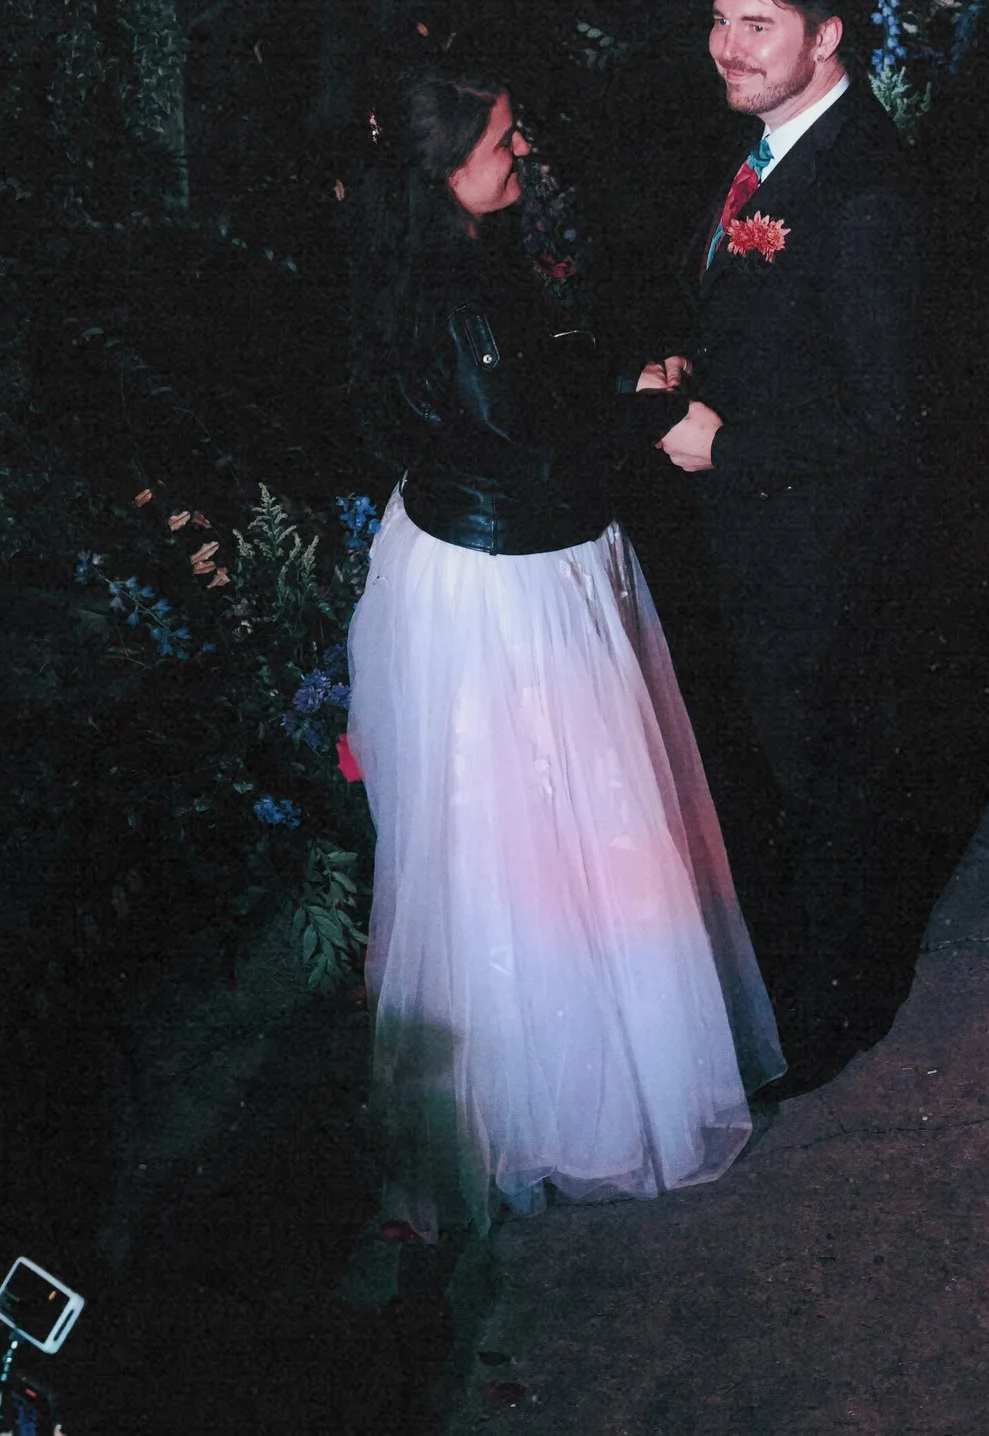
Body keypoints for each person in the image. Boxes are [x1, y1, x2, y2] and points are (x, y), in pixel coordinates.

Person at [344, 66, 784, 1239]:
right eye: (501, 138)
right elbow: (541, 451)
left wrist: (619, 380)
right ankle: (564, 1098)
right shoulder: (452, 287)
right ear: (447, 171)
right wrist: (652, 412)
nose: (522, 146)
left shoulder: (446, 258)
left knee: (534, 835)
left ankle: (556, 1074)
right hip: (509, 583)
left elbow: (524, 398)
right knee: (538, 837)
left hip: (479, 549)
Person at [643, 0, 923, 1077]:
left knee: (816, 792)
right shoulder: (774, 145)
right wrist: (683, 367)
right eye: (718, 17)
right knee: (764, 785)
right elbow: (766, 325)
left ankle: (818, 1030)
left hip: (814, 553)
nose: (725, 43)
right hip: (752, 541)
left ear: (828, 35)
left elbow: (883, 411)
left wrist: (732, 444)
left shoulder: (862, 187)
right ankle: (774, 1005)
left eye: (757, 22)